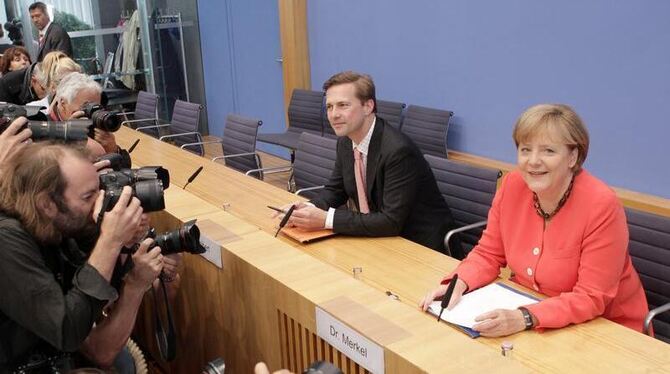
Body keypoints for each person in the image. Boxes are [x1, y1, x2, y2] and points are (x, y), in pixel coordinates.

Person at [419, 104, 649, 337]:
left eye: (548, 151)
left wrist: (525, 316)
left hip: (606, 330)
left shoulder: (601, 205)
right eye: (525, 149)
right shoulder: (512, 186)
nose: (533, 161)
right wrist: (458, 284)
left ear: (573, 156)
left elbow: (591, 296)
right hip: (533, 316)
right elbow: (489, 253)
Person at [0, 141, 157, 371]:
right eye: (88, 196)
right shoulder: (7, 241)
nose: (99, 203)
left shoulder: (54, 224)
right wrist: (110, 241)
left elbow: (92, 287)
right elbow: (67, 330)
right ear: (47, 203)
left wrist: (123, 243)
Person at [279, 71, 460, 254]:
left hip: (421, 247)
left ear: (368, 106)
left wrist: (326, 219)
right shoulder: (346, 141)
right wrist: (304, 209)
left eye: (343, 105)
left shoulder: (398, 151)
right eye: (329, 107)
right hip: (380, 238)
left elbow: (390, 222)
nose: (333, 115)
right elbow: (335, 190)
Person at [51, 72, 118, 158]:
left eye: (96, 108)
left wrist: (113, 150)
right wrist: (69, 138)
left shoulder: (96, 127)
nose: (91, 113)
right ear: (63, 104)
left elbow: (125, 167)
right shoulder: (44, 129)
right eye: (86, 107)